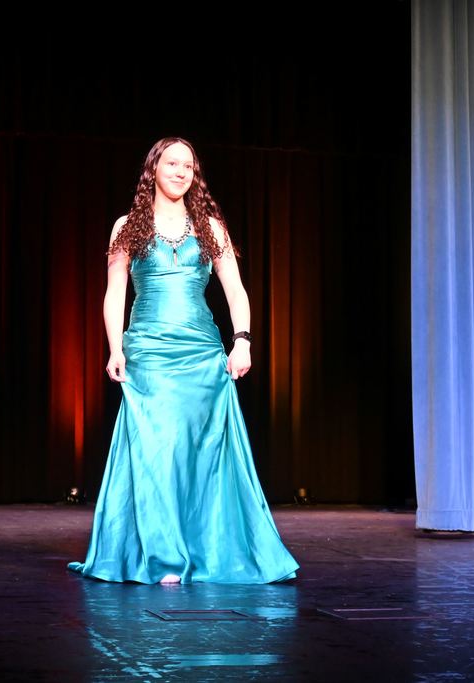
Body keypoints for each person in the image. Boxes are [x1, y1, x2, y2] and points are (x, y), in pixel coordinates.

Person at [67, 137, 299, 584]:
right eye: (171, 163)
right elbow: (115, 293)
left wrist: (243, 341)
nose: (180, 172)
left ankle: (202, 548)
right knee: (156, 450)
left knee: (202, 451)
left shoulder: (210, 226)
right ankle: (164, 555)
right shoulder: (127, 226)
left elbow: (235, 288)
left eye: (188, 166)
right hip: (149, 350)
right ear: (153, 168)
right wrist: (115, 347)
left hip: (200, 350)